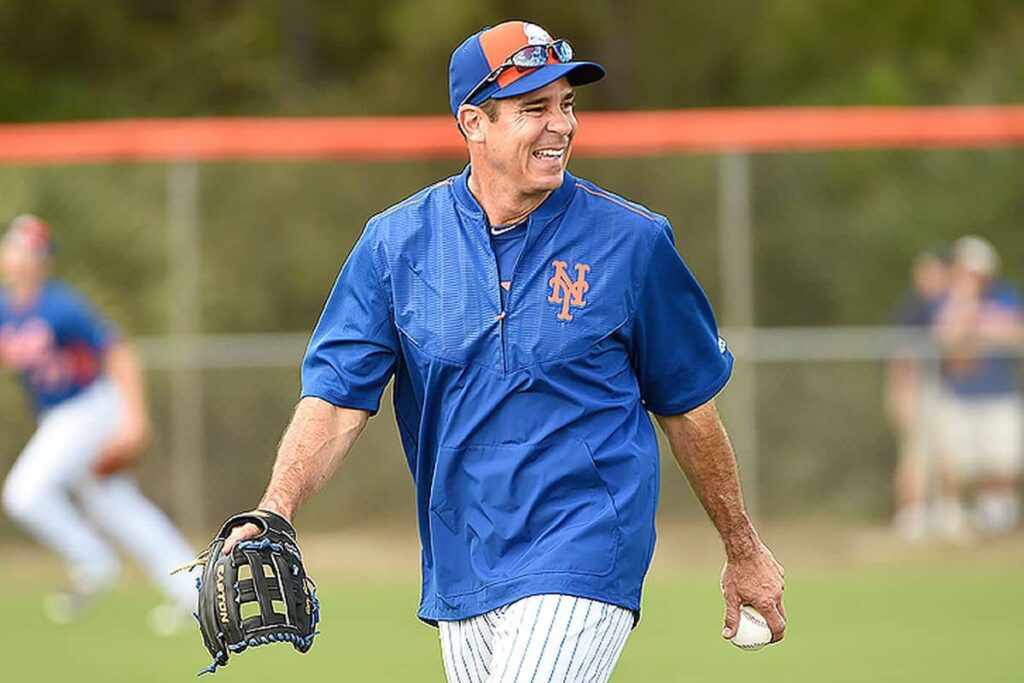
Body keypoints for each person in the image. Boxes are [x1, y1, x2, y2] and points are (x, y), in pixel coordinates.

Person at [223, 20, 785, 681]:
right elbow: (338, 400)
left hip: (584, 548)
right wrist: (277, 505)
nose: (561, 126)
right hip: (462, 561)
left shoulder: (632, 243)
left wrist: (743, 546)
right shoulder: (396, 244)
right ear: (474, 122)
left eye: (567, 104)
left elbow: (689, 408)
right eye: (533, 109)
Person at [0, 214, 197, 632]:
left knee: (24, 493)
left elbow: (118, 351)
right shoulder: (5, 310)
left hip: (89, 408)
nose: (19, 257)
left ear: (42, 261)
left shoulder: (60, 305)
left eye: (29, 251)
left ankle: (93, 560)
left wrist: (135, 418)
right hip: (61, 417)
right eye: (14, 247)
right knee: (118, 506)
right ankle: (193, 590)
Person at [932, 235, 1023, 537]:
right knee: (959, 463)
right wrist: (966, 304)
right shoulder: (950, 300)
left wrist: (982, 333)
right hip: (961, 394)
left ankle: (999, 521)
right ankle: (958, 521)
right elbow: (947, 339)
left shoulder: (1007, 295)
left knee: (1000, 460)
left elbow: (1015, 332)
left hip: (999, 392)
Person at [885, 246, 951, 540]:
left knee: (946, 453)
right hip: (917, 389)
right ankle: (912, 514)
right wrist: (902, 393)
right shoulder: (910, 308)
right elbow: (901, 355)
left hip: (945, 390)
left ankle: (947, 513)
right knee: (914, 455)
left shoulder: (947, 304)